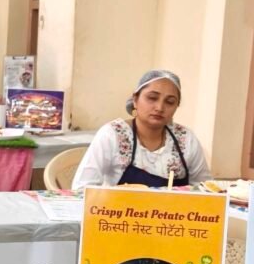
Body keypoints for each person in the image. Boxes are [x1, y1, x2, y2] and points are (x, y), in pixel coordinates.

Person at [72, 70, 211, 189]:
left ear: (176, 106)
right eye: (152, 98)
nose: (160, 107)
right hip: (122, 217)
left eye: (169, 102)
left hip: (175, 218)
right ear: (135, 99)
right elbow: (83, 187)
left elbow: (205, 188)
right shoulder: (113, 134)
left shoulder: (186, 139)